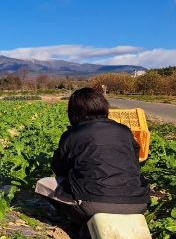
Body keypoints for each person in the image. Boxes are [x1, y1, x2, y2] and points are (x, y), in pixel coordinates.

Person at [36, 87, 150, 237]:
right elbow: (135, 161)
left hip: (93, 205)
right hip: (138, 204)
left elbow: (59, 169)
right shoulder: (124, 130)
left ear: (74, 112)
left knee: (42, 184)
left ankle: (77, 223)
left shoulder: (72, 134)